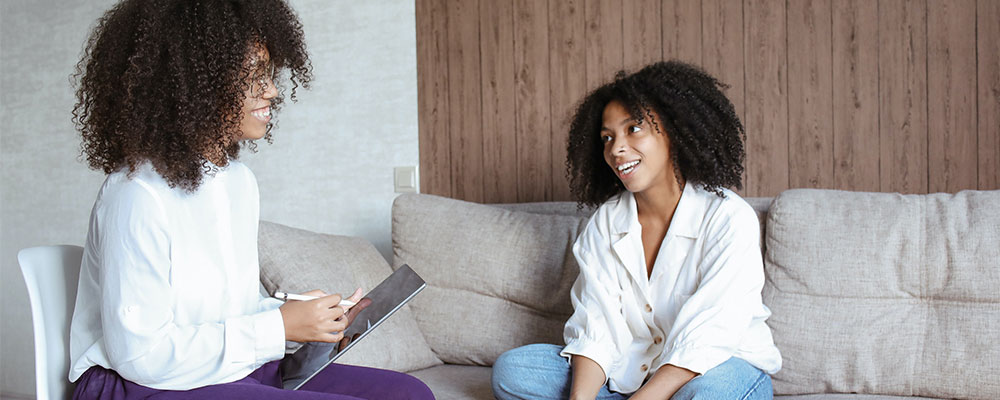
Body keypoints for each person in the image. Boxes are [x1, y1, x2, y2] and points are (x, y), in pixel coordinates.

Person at [67, 1, 434, 399]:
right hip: (135, 383)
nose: (273, 90)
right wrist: (277, 328)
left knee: (410, 394)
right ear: (193, 82)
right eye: (254, 75)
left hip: (222, 370)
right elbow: (142, 356)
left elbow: (222, 315)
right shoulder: (135, 196)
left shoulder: (238, 182)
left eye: (270, 74)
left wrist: (300, 318)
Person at [491, 61, 782, 400]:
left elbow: (709, 337)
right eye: (607, 137)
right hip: (631, 375)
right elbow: (597, 327)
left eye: (634, 129)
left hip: (718, 370)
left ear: (674, 130)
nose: (616, 149)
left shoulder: (727, 218)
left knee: (714, 394)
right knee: (515, 371)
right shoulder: (606, 223)